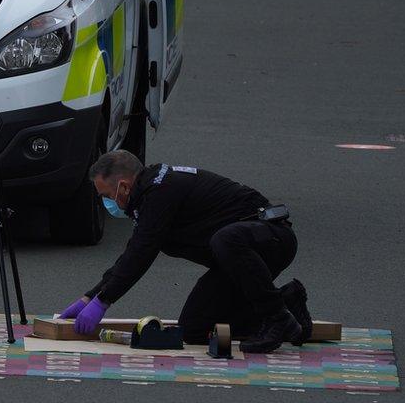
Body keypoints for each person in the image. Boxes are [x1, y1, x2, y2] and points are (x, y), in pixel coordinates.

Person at [59, 150, 313, 353]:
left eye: (106, 196)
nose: (107, 204)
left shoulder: (161, 192)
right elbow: (131, 253)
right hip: (238, 258)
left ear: (123, 187)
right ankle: (287, 303)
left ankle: (277, 317)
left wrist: (103, 301)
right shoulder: (146, 196)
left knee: (225, 239)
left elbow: (141, 253)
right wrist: (88, 297)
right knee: (194, 329)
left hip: (271, 239)